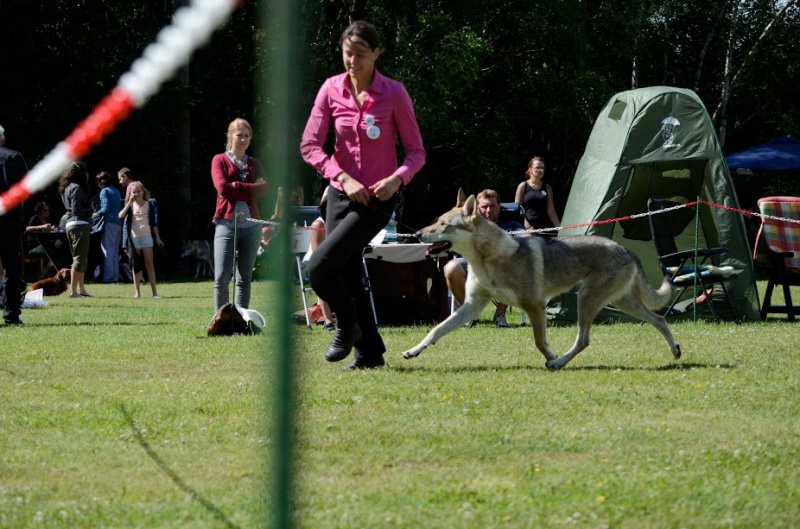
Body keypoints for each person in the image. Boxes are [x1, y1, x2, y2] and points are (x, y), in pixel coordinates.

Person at [300, 20, 425, 369]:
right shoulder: (330, 90)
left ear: (376, 53)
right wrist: (338, 175)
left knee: (320, 267)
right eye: (346, 53)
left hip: (377, 198)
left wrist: (397, 180)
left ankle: (348, 325)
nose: (351, 61)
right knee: (349, 270)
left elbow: (416, 152)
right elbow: (310, 145)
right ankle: (369, 354)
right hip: (340, 194)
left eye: (359, 54)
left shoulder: (394, 93)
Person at [443, 189, 526, 328]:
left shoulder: (512, 225)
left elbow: (527, 239)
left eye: (492, 206)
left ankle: (499, 314)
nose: (488, 210)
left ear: (499, 207)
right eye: (484, 207)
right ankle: (469, 313)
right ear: (478, 208)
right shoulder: (469, 225)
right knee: (451, 268)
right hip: (473, 264)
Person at [211, 118, 267, 312]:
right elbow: (223, 189)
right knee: (222, 277)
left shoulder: (255, 163)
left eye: (246, 136)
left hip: (252, 226)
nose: (243, 139)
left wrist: (238, 185)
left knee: (244, 278)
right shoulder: (219, 160)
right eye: (239, 135)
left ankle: (242, 320)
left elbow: (264, 189)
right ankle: (221, 320)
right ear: (230, 136)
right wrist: (249, 189)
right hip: (226, 224)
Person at [0, 124, 28, 325]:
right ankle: (11, 315)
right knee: (11, 269)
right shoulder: (14, 157)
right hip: (9, 221)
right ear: (2, 139)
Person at [119, 181, 164, 298]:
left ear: (143, 191)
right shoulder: (130, 206)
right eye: (134, 192)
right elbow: (120, 216)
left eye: (138, 191)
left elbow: (154, 223)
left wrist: (158, 238)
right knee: (136, 266)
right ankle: (137, 293)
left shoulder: (150, 204)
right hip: (134, 238)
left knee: (149, 264)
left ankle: (155, 293)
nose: (136, 194)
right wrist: (129, 203)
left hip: (147, 237)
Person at [58, 161, 93, 298]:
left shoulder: (65, 188)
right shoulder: (77, 188)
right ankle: (73, 291)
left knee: (80, 257)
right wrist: (90, 210)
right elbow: (76, 208)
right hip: (79, 223)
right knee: (79, 258)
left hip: (70, 224)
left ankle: (82, 289)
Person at [514, 156, 561, 235]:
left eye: (543, 168)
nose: (541, 170)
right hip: (526, 231)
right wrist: (528, 227)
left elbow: (551, 211)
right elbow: (518, 209)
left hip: (544, 230)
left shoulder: (547, 188)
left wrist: (560, 229)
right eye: (538, 167)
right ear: (530, 169)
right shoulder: (523, 186)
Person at [93, 171, 123, 283]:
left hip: (109, 223)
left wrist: (95, 214)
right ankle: (115, 277)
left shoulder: (104, 191)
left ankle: (108, 278)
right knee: (115, 252)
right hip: (118, 223)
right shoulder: (116, 191)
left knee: (107, 251)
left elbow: (105, 208)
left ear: (101, 182)